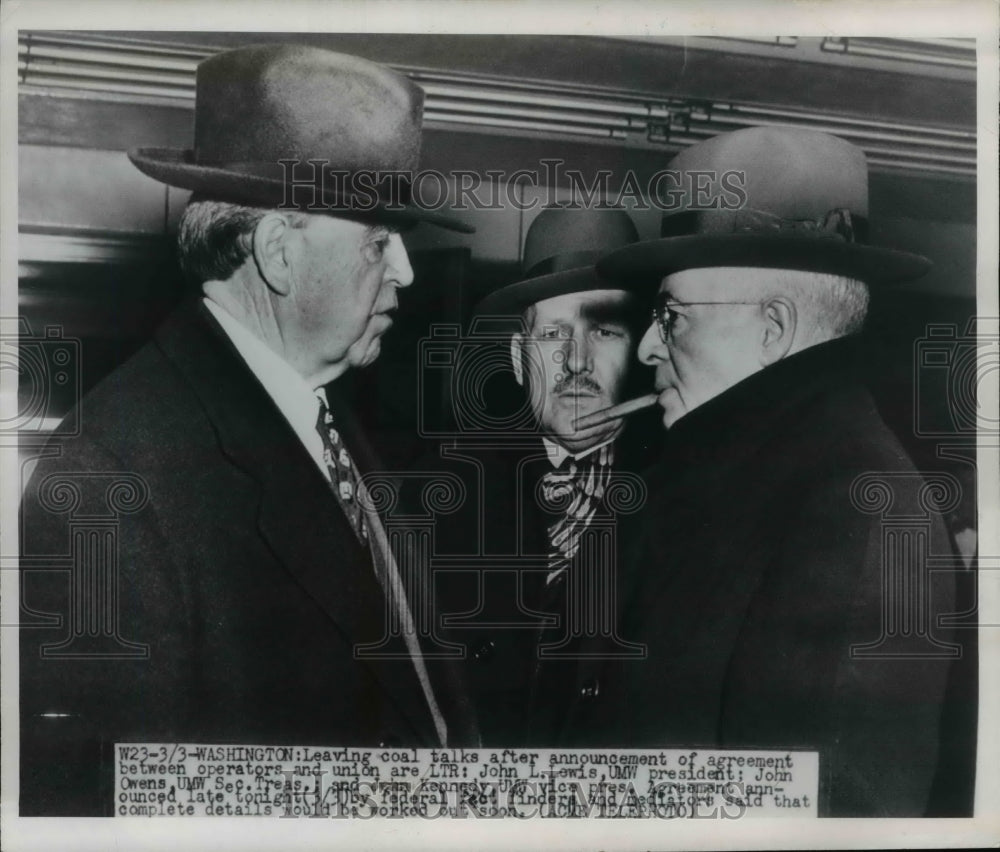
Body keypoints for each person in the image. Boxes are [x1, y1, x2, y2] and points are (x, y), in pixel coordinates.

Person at [19, 44, 478, 817]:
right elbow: (113, 812)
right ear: (276, 252)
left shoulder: (329, 416)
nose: (404, 269)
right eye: (376, 239)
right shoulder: (112, 475)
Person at [590, 126, 977, 816]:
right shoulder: (756, 476)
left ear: (773, 328)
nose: (649, 345)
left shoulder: (859, 509)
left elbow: (828, 818)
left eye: (671, 316)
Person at [424, 207, 659, 746]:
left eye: (603, 331)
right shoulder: (438, 494)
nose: (576, 361)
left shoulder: (682, 499)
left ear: (642, 352)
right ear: (516, 356)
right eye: (553, 334)